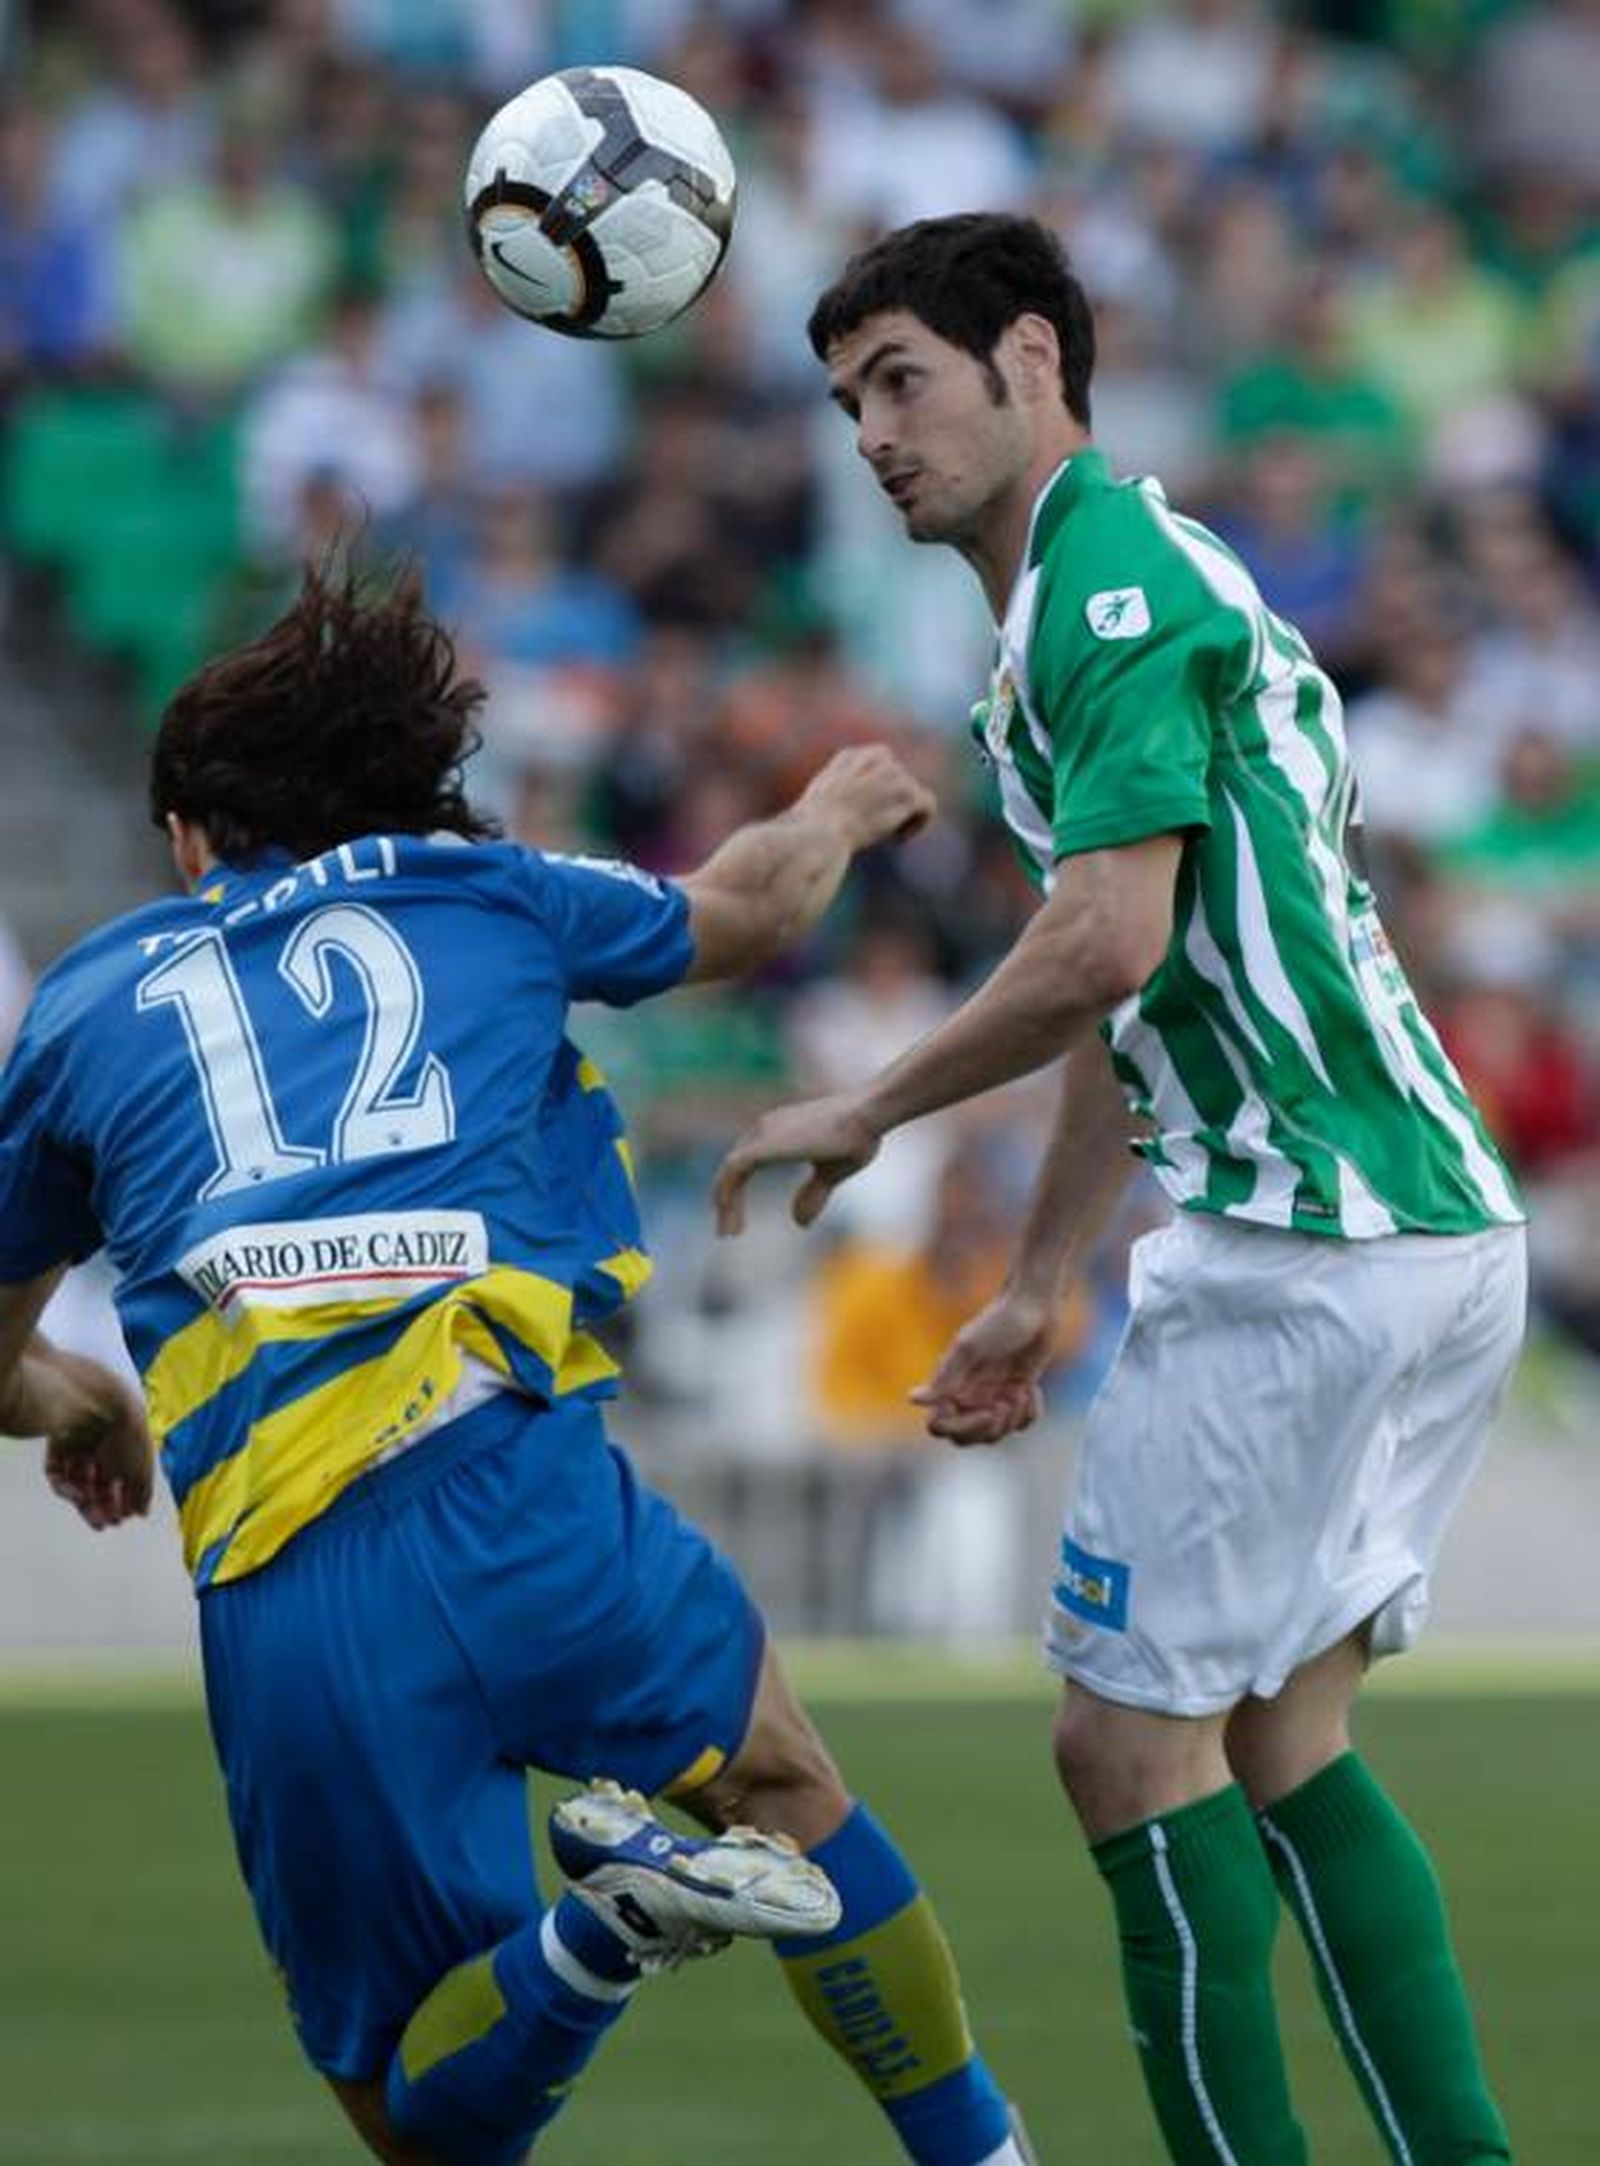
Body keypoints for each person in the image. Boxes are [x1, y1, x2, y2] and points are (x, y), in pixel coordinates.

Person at [0, 563, 1039, 2166]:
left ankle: (592, 1940)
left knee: (420, 2119)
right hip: (529, 1494)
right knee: (782, 1781)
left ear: (190, 834)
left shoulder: (79, 1009)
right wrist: (830, 807)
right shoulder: (482, 892)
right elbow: (752, 906)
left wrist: (75, 1400)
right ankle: (981, 2152)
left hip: (302, 1579)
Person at [716, 212, 1526, 2166]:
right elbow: (1131, 974)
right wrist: (1038, 1276)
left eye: (902, 380)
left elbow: (1092, 945)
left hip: (1307, 1236)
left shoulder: (1098, 586)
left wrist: (869, 1105)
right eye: (844, 404)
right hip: (1412, 1223)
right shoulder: (1079, 610)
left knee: (1118, 1747)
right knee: (1272, 1743)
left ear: (1031, 366)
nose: (872, 434)